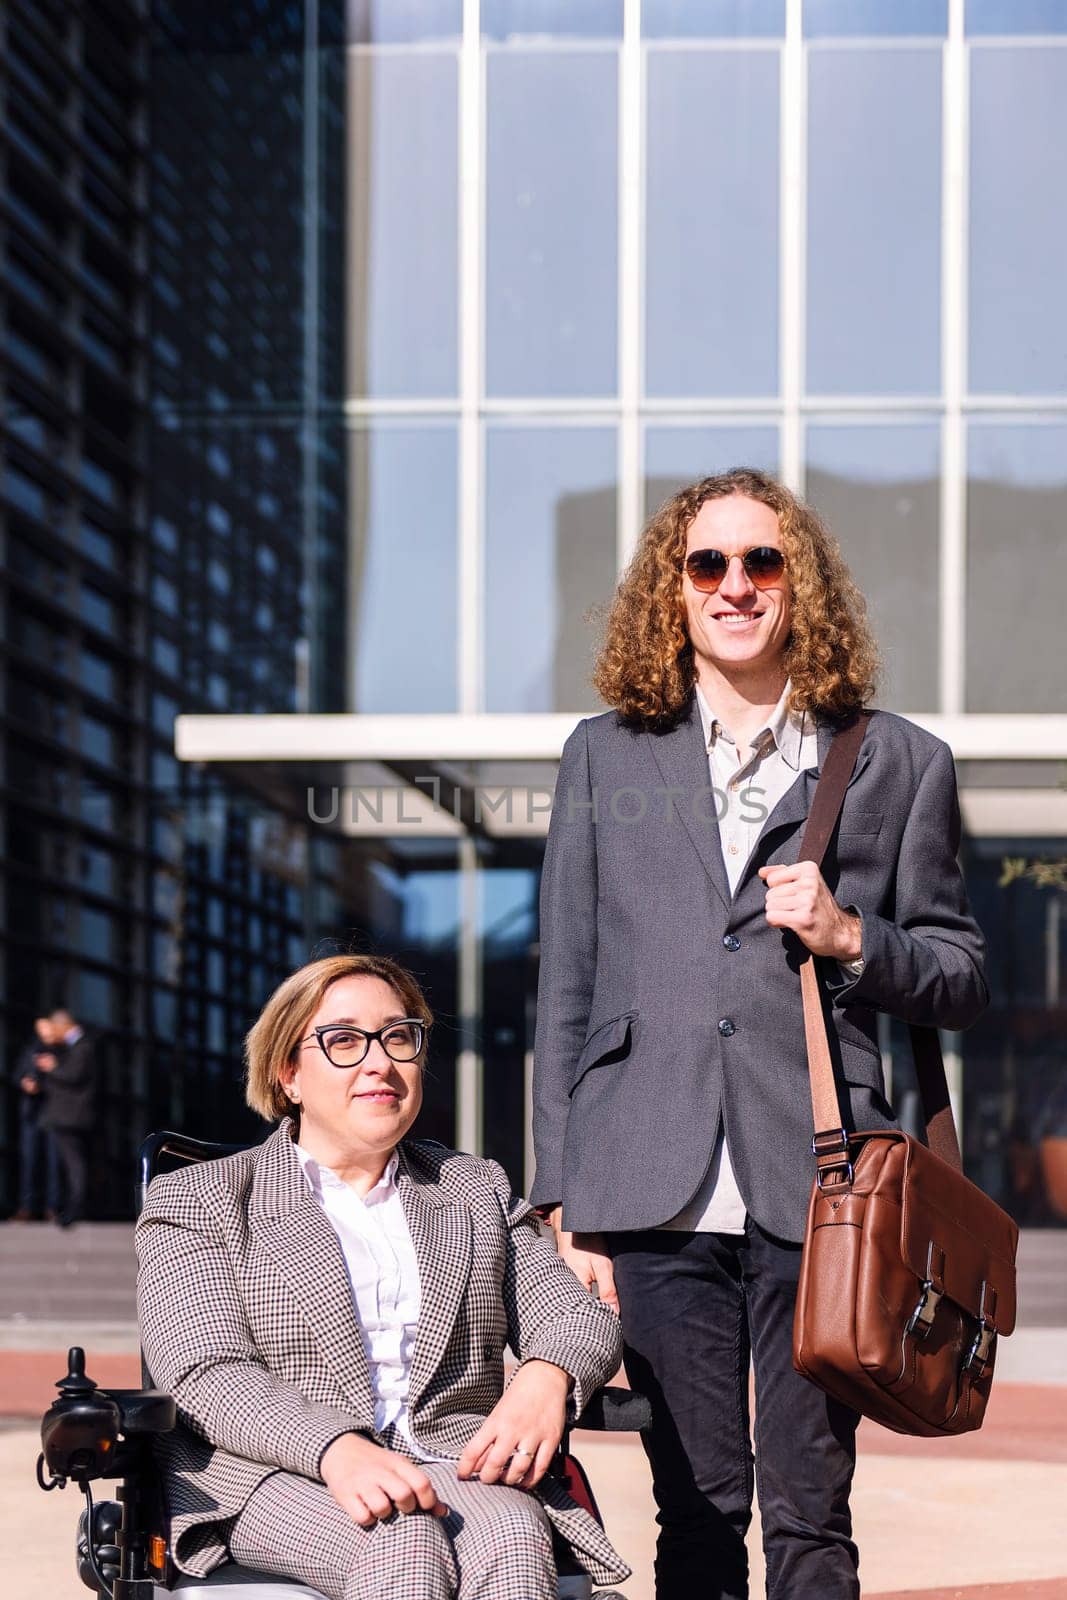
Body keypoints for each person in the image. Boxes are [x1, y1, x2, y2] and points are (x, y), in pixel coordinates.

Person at [531, 468, 989, 1600]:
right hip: (648, 1189)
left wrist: (848, 935)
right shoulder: (604, 754)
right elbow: (566, 988)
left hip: (821, 1191)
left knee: (807, 1512)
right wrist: (559, 1201)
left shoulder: (895, 761)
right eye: (707, 565)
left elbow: (961, 972)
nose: (734, 585)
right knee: (691, 1509)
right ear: (672, 592)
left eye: (761, 562)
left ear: (801, 584)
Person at [136, 953, 629, 1600]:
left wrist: (546, 1376)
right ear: (289, 1075)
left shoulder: (473, 1189)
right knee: (402, 1535)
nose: (379, 1062)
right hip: (269, 1474)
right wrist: (337, 1448)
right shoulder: (202, 1200)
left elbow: (575, 1315)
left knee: (513, 1533)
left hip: (453, 1457)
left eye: (398, 1037)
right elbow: (207, 1372)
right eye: (342, 1040)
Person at [36, 1008, 97, 1228]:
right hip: (68, 1115)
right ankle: (73, 1205)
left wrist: (53, 1068)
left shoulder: (83, 1047)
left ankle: (76, 1207)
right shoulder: (76, 1047)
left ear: (63, 1026)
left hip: (72, 1115)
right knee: (72, 1162)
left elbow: (73, 1076)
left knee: (74, 1162)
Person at [9, 1017, 62, 1221]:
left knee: (53, 1162)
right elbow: (17, 1075)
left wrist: (47, 1078)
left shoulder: (61, 1052)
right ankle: (27, 1206)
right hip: (31, 1114)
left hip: (52, 1113)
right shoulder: (30, 1050)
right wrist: (25, 1083)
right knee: (29, 1160)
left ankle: (53, 1207)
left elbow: (66, 1082)